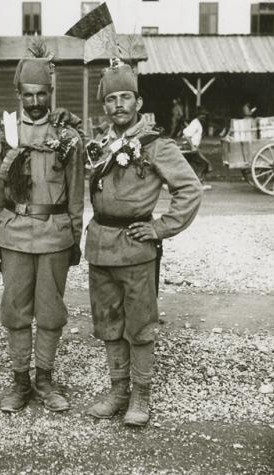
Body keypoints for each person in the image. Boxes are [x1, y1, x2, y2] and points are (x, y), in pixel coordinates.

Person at [84, 63, 202, 426]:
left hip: (136, 246)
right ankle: (118, 390)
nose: (118, 105)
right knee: (108, 323)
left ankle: (141, 394)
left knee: (140, 325)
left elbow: (189, 188)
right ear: (104, 106)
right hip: (101, 245)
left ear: (138, 102)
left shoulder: (156, 145)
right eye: (111, 99)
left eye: (125, 97)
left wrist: (161, 228)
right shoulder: (100, 145)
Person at [0, 58, 85, 414]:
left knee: (50, 311)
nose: (34, 102)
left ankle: (44, 378)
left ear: (51, 93)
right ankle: (20, 382)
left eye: (41, 94)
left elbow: (76, 193)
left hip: (55, 235)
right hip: (14, 234)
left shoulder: (67, 137)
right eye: (27, 95)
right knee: (15, 310)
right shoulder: (5, 133)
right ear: (19, 95)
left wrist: (74, 238)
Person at [181, 109, 213, 190]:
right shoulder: (195, 123)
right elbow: (186, 135)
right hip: (191, 149)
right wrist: (192, 146)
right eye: (202, 115)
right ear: (198, 115)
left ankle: (192, 183)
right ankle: (199, 183)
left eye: (205, 115)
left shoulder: (197, 123)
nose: (204, 117)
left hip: (193, 148)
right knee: (204, 164)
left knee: (189, 165)